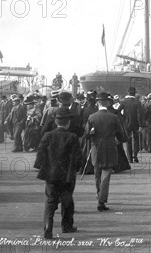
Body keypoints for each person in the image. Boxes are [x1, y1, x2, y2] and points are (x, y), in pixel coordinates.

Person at [34, 107, 83, 239]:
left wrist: (43, 168)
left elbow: (40, 155)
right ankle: (66, 226)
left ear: (56, 122)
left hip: (51, 174)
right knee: (67, 200)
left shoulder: (47, 136)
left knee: (50, 201)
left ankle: (48, 227)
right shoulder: (72, 137)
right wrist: (76, 169)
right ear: (68, 123)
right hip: (67, 175)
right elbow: (78, 158)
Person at [85, 92, 122, 212]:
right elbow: (120, 134)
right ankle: (101, 200)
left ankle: (98, 193)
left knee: (97, 174)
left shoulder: (92, 117)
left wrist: (92, 134)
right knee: (106, 174)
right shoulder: (113, 117)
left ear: (97, 103)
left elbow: (86, 135)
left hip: (96, 147)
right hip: (110, 147)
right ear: (108, 102)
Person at [119, 87, 144, 163]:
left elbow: (118, 111)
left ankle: (129, 158)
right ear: (135, 93)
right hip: (135, 123)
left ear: (128, 92)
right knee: (136, 140)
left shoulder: (123, 102)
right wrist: (140, 125)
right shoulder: (137, 102)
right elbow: (139, 114)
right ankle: (135, 156)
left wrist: (123, 118)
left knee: (128, 140)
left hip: (126, 123)